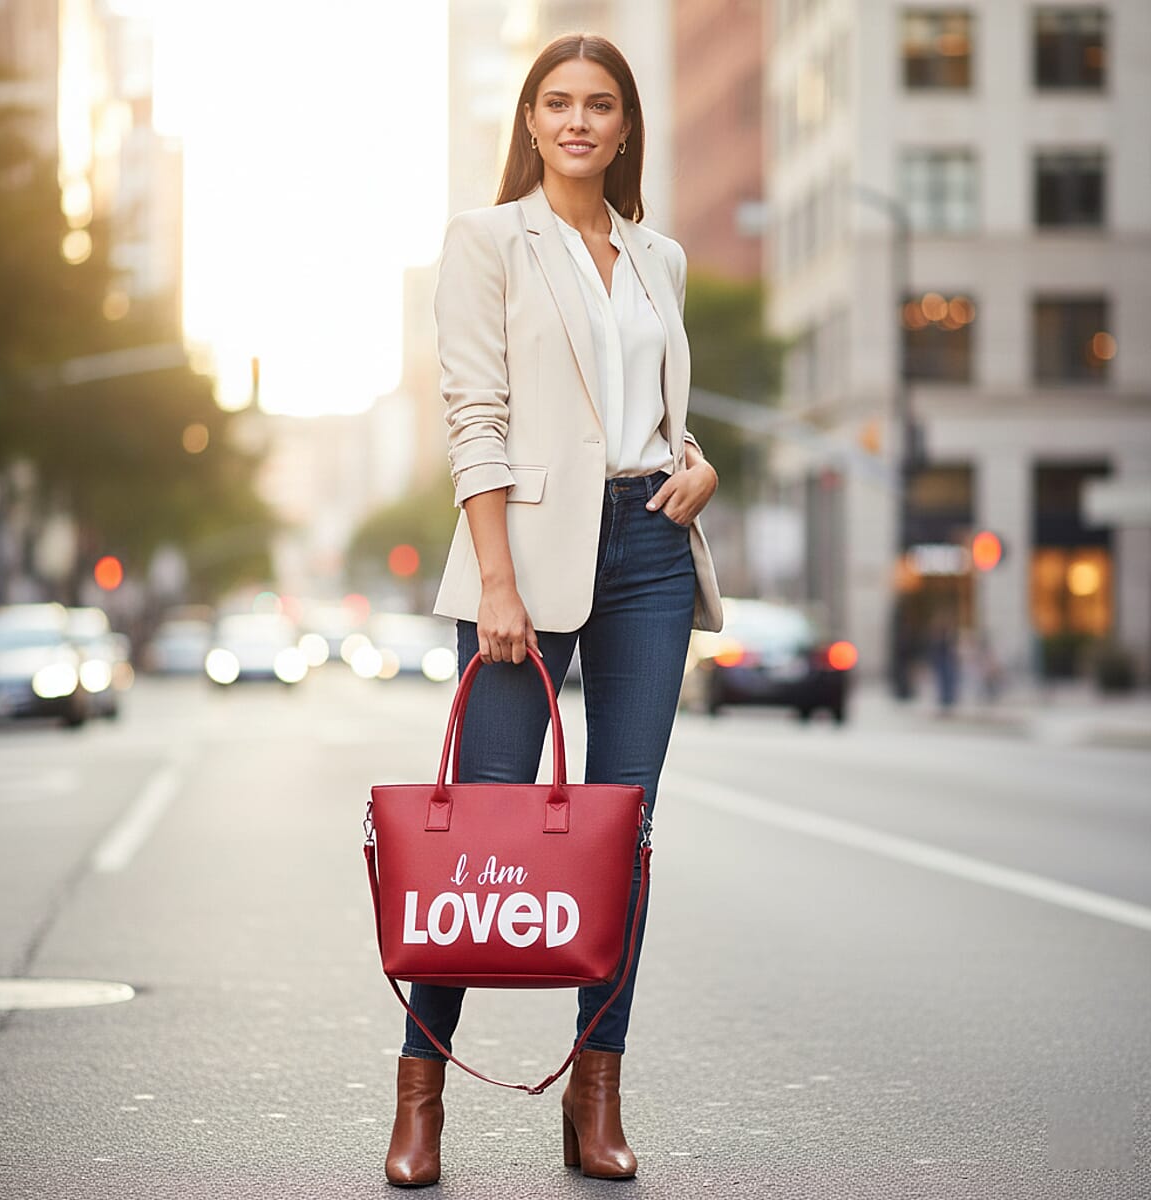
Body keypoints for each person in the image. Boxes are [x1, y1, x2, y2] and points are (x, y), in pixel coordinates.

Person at [384, 33, 722, 1187]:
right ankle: (421, 1098)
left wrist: (696, 463)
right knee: (477, 835)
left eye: (601, 106)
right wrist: (494, 582)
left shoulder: (659, 258)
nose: (579, 122)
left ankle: (595, 1096)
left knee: (620, 839)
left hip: (651, 555)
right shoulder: (486, 242)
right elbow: (474, 415)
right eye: (558, 102)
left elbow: (646, 412)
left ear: (626, 127)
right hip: (522, 564)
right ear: (529, 121)